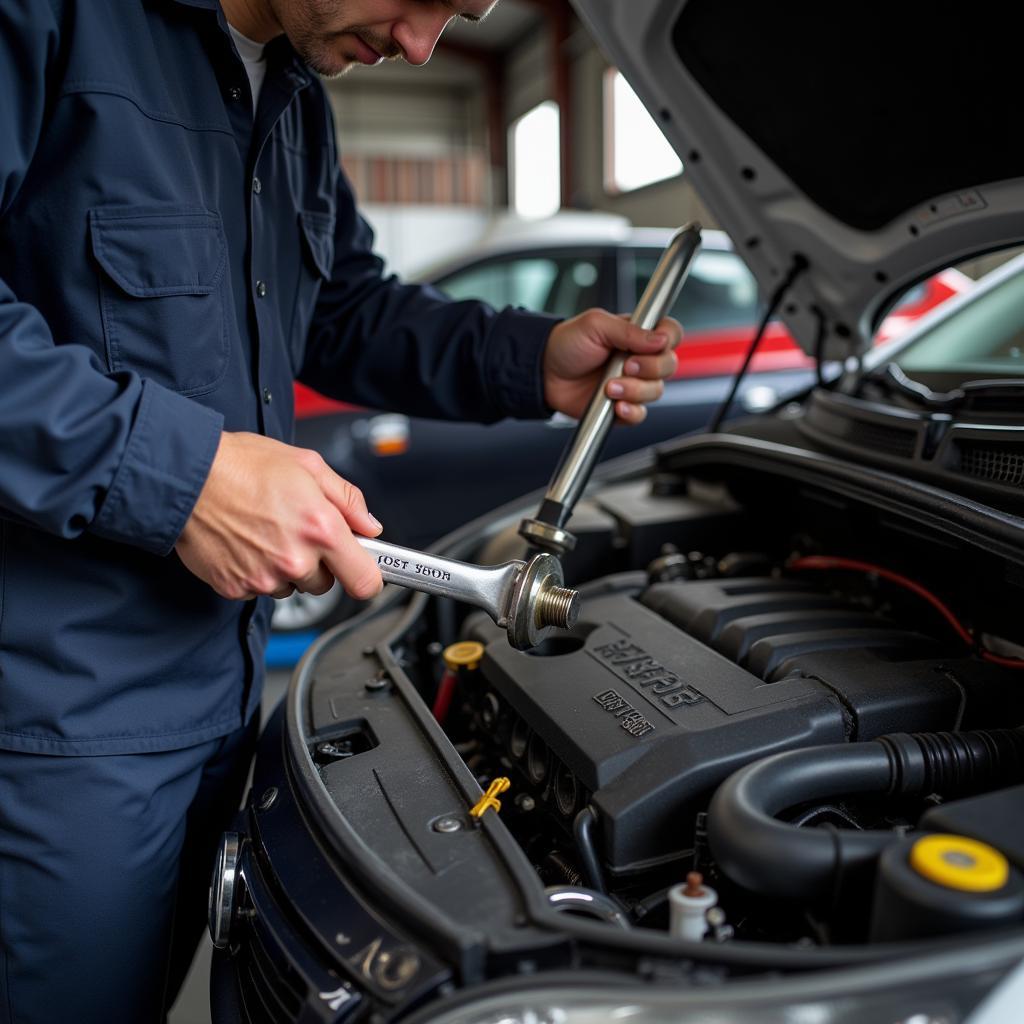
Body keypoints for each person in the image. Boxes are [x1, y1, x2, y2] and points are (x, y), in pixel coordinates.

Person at [0, 1, 681, 1020]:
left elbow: (343, 309)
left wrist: (531, 358)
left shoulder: (292, 94)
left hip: (222, 701)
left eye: (461, 18)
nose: (418, 46)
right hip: (50, 717)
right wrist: (178, 476)